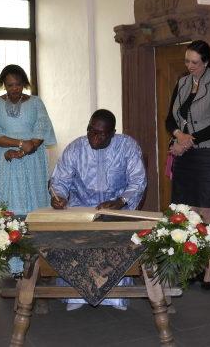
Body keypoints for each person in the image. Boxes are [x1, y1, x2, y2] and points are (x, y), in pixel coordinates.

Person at [50, 109, 147, 311]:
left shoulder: (127, 146)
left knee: (115, 238)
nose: (95, 137)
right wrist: (57, 195)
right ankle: (76, 295)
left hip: (117, 210)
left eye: (101, 134)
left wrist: (121, 201)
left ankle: (116, 297)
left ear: (113, 133)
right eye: (91, 131)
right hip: (81, 208)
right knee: (74, 239)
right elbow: (59, 180)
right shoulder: (76, 148)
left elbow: (138, 182)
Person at [0, 64, 56, 276]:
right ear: (4, 85)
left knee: (34, 206)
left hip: (33, 161)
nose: (14, 89)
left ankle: (40, 260)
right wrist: (20, 144)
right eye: (10, 85)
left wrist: (21, 151)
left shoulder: (36, 102)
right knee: (10, 207)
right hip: (5, 163)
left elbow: (41, 131)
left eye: (18, 84)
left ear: (24, 83)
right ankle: (16, 266)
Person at [165, 40, 210, 290]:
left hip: (207, 155)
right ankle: (193, 265)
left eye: (194, 62)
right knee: (188, 213)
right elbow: (170, 118)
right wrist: (178, 135)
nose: (189, 66)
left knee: (207, 213)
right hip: (185, 156)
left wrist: (187, 141)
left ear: (206, 62)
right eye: (187, 61)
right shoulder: (182, 82)